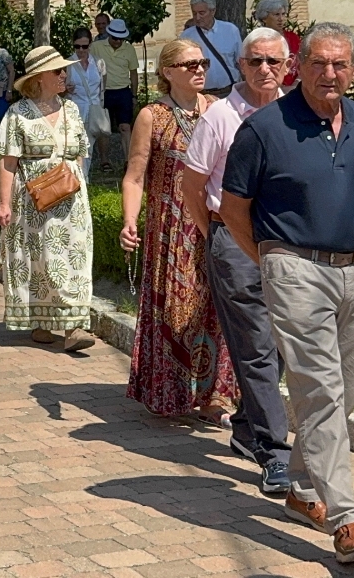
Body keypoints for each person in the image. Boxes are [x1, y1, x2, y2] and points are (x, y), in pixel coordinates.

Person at [219, 22, 354, 564]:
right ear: (298, 67)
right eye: (318, 63)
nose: (329, 74)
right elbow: (232, 209)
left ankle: (300, 488)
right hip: (296, 269)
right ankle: (347, 520)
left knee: (345, 392)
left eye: (340, 64)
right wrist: (272, 262)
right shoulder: (264, 129)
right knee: (320, 392)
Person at [181, 27, 292, 497]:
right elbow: (193, 184)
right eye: (254, 62)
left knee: (286, 343)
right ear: (240, 65)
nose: (264, 70)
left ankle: (248, 425)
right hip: (234, 240)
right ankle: (274, 452)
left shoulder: (297, 114)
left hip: (290, 244)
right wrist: (218, 238)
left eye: (273, 61)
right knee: (257, 346)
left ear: (287, 66)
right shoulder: (221, 117)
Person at [120, 38, 238, 425]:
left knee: (216, 308)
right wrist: (130, 221)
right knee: (175, 308)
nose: (199, 69)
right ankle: (169, 391)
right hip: (171, 230)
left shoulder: (219, 110)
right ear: (167, 72)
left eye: (202, 62)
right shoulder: (152, 116)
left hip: (215, 223)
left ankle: (214, 396)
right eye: (189, 65)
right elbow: (135, 176)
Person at [0, 45, 95, 352]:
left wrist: (80, 188)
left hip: (72, 200)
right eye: (57, 71)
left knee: (74, 258)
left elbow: (79, 155)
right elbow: (8, 162)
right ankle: (41, 321)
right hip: (33, 200)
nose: (64, 75)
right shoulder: (17, 114)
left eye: (64, 70)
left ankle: (75, 326)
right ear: (39, 78)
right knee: (39, 259)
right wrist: (4, 203)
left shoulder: (72, 109)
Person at [90, 18, 140, 170]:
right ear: (109, 35)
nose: (117, 41)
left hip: (123, 91)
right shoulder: (96, 47)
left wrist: (134, 95)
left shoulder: (129, 49)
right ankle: (104, 161)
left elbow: (133, 73)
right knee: (104, 129)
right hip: (103, 92)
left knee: (125, 127)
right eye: (114, 38)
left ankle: (128, 161)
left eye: (121, 38)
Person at [181, 0, 243, 98]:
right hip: (202, 95)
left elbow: (241, 62)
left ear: (213, 11)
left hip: (230, 92)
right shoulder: (187, 36)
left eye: (202, 13)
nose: (197, 17)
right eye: (194, 13)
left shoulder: (230, 30)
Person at [65, 27, 106, 175]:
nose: (81, 50)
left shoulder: (99, 63)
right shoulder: (67, 63)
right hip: (74, 111)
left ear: (90, 45)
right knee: (77, 147)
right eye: (77, 46)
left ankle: (83, 179)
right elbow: (59, 90)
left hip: (94, 110)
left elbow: (103, 89)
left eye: (84, 46)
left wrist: (101, 107)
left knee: (88, 147)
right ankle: (80, 179)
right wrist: (65, 90)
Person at [254, 0, 300, 87]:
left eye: (283, 14)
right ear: (264, 17)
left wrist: (296, 84)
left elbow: (303, 64)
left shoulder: (293, 38)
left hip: (295, 88)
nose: (281, 18)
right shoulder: (257, 40)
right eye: (276, 14)